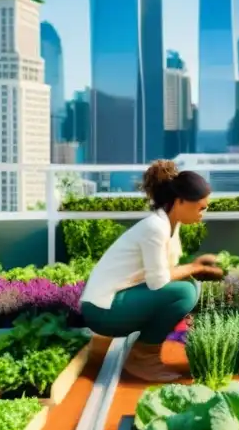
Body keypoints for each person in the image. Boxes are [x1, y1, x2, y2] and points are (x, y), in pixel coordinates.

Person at [80, 161, 224, 382]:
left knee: (188, 288)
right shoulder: (155, 227)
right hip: (102, 310)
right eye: (201, 207)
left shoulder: (169, 225)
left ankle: (143, 355)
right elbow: (159, 282)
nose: (203, 213)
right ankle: (142, 358)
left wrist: (197, 264)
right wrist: (197, 268)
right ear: (181, 201)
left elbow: (164, 271)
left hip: (120, 299)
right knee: (184, 293)